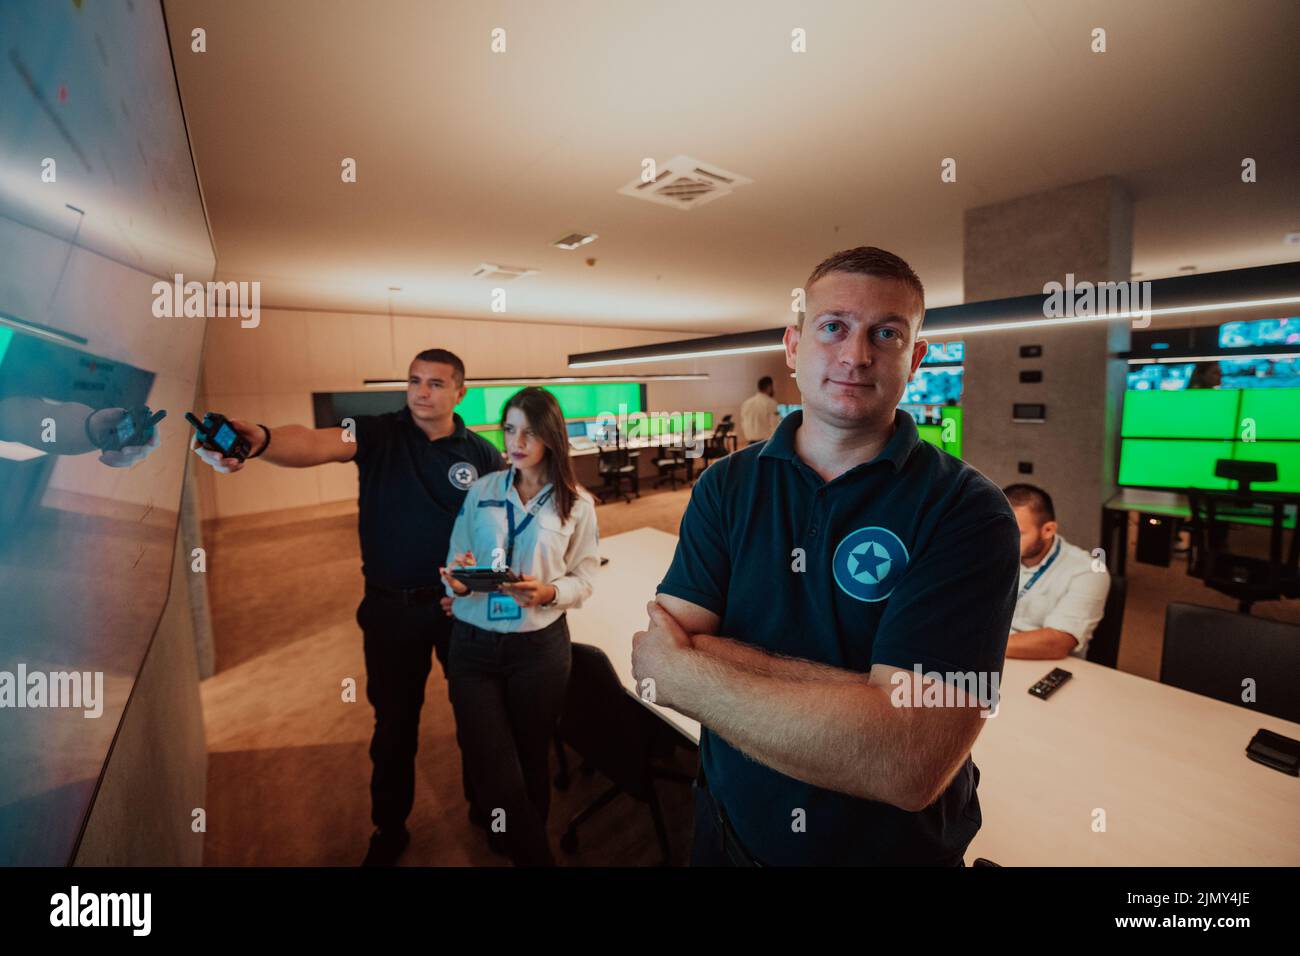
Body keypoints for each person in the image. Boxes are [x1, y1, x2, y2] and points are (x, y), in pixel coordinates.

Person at [632, 246, 1020, 866]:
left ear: (915, 359)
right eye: (833, 326)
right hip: (727, 828)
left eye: (886, 334)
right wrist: (868, 697)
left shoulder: (969, 512)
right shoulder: (725, 486)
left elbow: (908, 762)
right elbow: (656, 666)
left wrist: (701, 668)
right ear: (793, 345)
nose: (856, 354)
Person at [190, 348, 503, 866]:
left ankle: (485, 809)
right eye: (414, 381)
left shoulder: (482, 453)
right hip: (390, 612)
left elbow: (502, 522)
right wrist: (262, 439)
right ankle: (390, 828)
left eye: (435, 384)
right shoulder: (379, 432)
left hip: (458, 609)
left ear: (460, 392)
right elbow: (314, 442)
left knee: (476, 716)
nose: (422, 392)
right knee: (394, 726)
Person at [439, 386, 599, 866]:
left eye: (529, 432)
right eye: (510, 429)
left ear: (551, 437)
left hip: (539, 647)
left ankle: (508, 830)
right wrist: (460, 583)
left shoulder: (577, 504)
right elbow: (453, 562)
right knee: (491, 755)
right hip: (472, 645)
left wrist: (549, 592)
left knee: (531, 753)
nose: (517, 441)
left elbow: (585, 575)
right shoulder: (481, 490)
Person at [1002, 483, 1110, 660]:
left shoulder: (1088, 571)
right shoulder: (996, 553)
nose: (1005, 542)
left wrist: (979, 646)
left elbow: (1056, 643)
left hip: (1045, 663)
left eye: (1017, 533)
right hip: (996, 657)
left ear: (1048, 530)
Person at [739, 375, 780, 444]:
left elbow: (743, 423)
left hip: (750, 444)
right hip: (765, 443)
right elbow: (775, 425)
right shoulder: (771, 403)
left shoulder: (746, 403)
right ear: (769, 387)